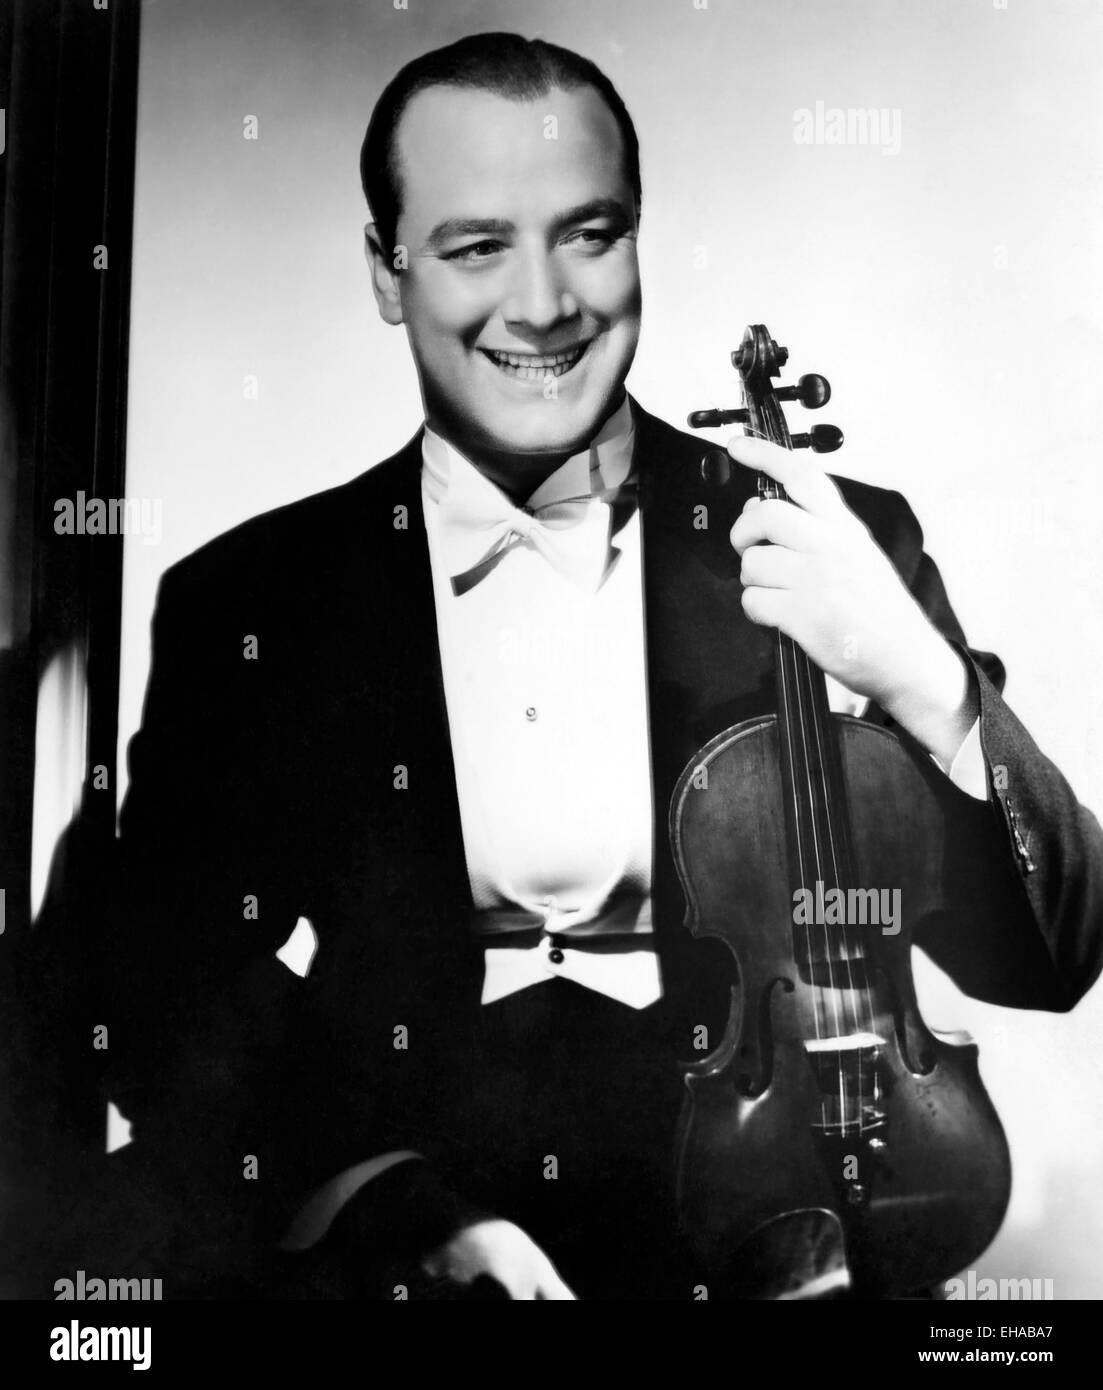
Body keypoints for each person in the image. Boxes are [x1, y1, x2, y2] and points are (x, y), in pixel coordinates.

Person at [92, 32, 1102, 1300]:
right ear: (385, 271)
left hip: (769, 1228)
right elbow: (163, 985)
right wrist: (388, 1204)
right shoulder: (253, 598)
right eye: (474, 246)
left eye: (588, 233)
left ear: (637, 238)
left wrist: (918, 677)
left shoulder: (826, 541)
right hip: (417, 1222)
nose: (543, 303)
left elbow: (1054, 949)